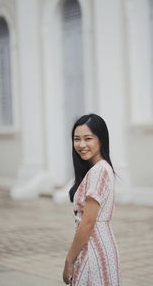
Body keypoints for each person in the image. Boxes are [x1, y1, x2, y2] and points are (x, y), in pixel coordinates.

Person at [63, 113, 121, 285]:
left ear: (101, 139)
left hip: (94, 249)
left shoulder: (99, 171)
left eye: (88, 138)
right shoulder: (99, 169)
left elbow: (88, 222)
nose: (81, 145)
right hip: (97, 246)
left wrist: (68, 260)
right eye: (76, 139)